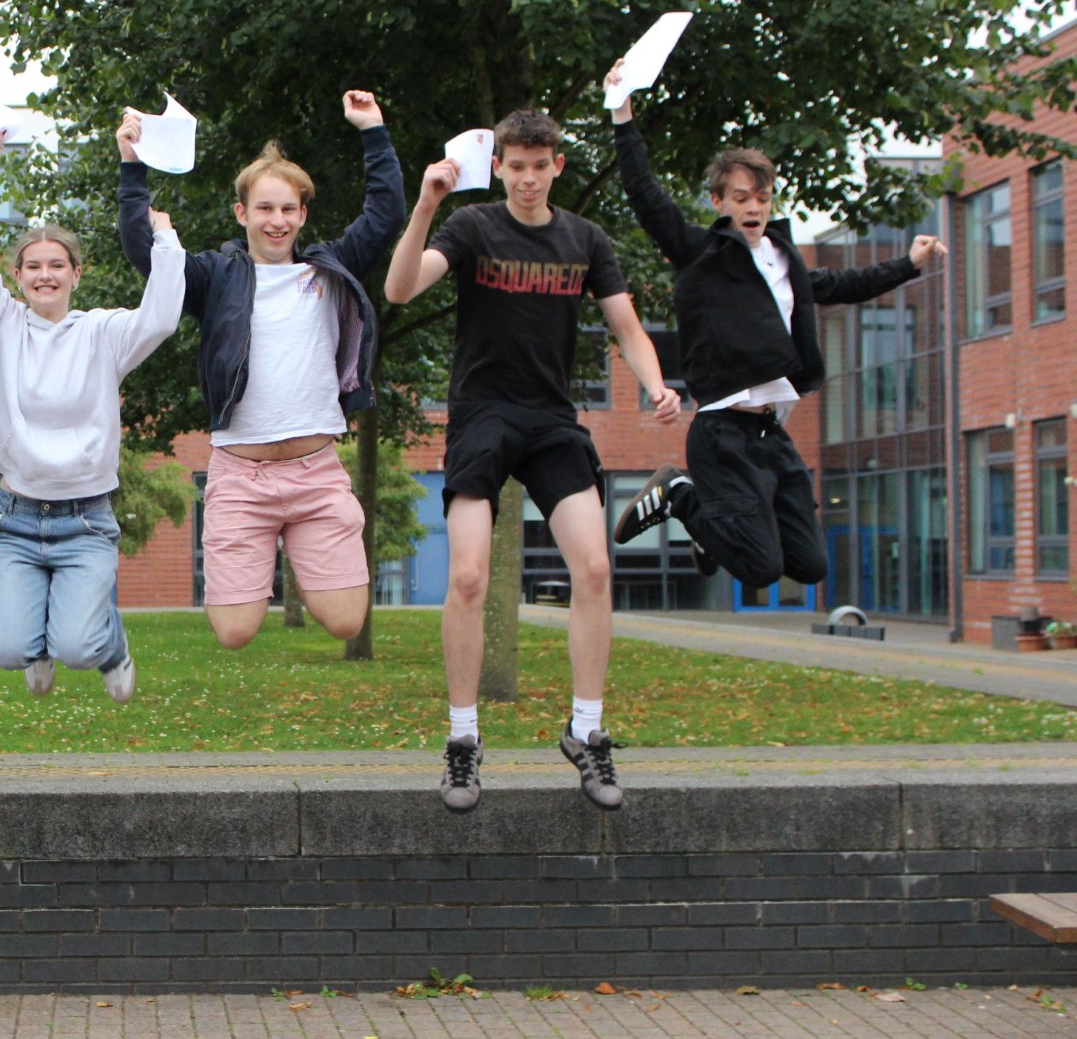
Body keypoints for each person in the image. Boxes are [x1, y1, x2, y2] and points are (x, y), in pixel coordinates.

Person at [383, 108, 680, 814]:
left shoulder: (585, 239)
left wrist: (655, 382)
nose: (525, 178)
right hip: (482, 415)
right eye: (513, 166)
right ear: (501, 168)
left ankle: (586, 730)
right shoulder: (473, 226)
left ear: (556, 168)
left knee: (596, 567)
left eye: (537, 166)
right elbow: (399, 289)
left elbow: (626, 325)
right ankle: (462, 740)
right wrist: (426, 204)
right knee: (467, 575)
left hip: (550, 421)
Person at [605, 61, 947, 591]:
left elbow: (846, 284)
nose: (754, 209)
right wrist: (622, 113)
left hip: (773, 435)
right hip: (722, 434)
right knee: (761, 569)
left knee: (809, 566)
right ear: (719, 204)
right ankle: (682, 497)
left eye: (762, 199)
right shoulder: (701, 255)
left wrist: (909, 263)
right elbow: (646, 195)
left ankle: (707, 523)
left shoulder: (786, 261)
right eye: (741, 199)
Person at [117, 91, 404, 650]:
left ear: (303, 214)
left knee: (346, 622)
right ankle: (263, 550)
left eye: (288, 209)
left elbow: (385, 213)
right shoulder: (215, 276)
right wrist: (133, 169)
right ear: (242, 213)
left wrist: (373, 131)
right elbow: (142, 253)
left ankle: (304, 544)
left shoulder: (329, 270)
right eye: (265, 209)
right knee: (233, 631)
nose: (277, 220)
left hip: (316, 472)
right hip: (241, 478)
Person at [0, 129, 185, 701]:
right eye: (32, 266)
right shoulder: (2, 323)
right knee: (9, 650)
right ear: (18, 277)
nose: (44, 275)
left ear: (76, 275)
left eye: (57, 265)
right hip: (15, 517)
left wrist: (166, 239)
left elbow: (159, 318)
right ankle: (32, 645)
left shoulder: (103, 333)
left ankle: (109, 646)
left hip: (85, 520)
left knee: (79, 647)